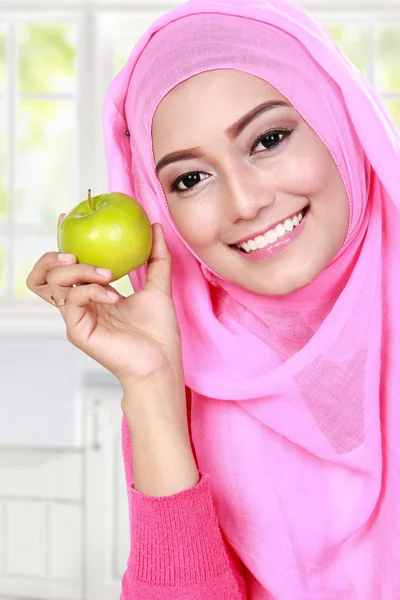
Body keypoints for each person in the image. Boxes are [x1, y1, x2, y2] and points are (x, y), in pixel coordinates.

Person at [26, 0, 400, 597]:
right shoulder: (190, 377)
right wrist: (152, 389)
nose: (245, 202)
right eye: (189, 179)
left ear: (339, 123)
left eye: (268, 138)